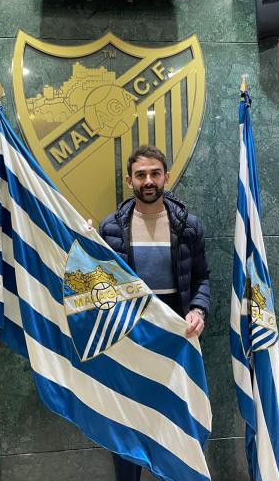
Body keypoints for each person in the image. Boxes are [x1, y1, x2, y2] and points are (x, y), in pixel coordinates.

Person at [98, 144, 210, 481]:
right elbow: (100, 284)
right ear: (129, 181)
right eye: (141, 175)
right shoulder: (110, 228)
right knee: (126, 421)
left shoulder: (188, 226)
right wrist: (84, 241)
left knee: (177, 420)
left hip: (176, 334)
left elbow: (202, 277)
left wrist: (198, 310)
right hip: (129, 336)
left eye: (155, 173)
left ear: (167, 177)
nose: (149, 181)